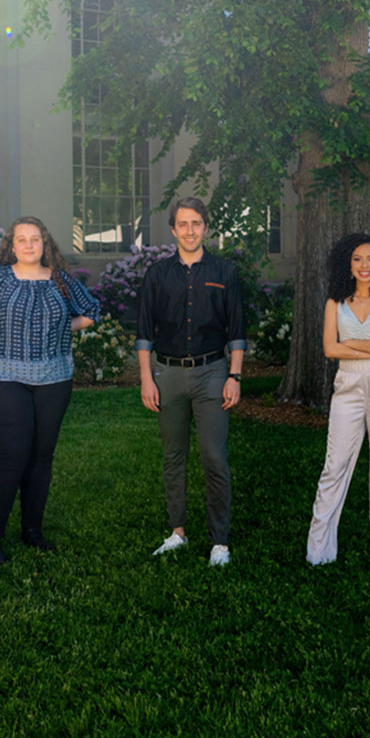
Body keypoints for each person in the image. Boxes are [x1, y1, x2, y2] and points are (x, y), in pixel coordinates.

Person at [0, 216, 100, 563]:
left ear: (45, 245)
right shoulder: (0, 278)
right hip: (6, 376)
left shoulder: (60, 281)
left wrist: (62, 329)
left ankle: (32, 531)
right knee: (9, 457)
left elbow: (91, 311)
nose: (29, 245)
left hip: (55, 378)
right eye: (22, 240)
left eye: (35, 239)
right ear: (12, 246)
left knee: (41, 459)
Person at [137, 197, 246, 566]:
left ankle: (220, 542)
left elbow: (237, 330)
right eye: (182, 224)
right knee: (173, 456)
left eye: (196, 223)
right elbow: (143, 333)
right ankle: (177, 532)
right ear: (172, 229)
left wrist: (235, 376)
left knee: (215, 457)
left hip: (213, 373)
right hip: (166, 375)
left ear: (206, 227)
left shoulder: (225, 271)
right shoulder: (157, 275)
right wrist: (146, 380)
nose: (189, 230)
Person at [306, 234, 370, 565]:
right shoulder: (335, 303)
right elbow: (329, 349)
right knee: (334, 466)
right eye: (357, 260)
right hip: (347, 384)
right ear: (347, 265)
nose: (364, 266)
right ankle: (319, 551)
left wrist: (351, 346)